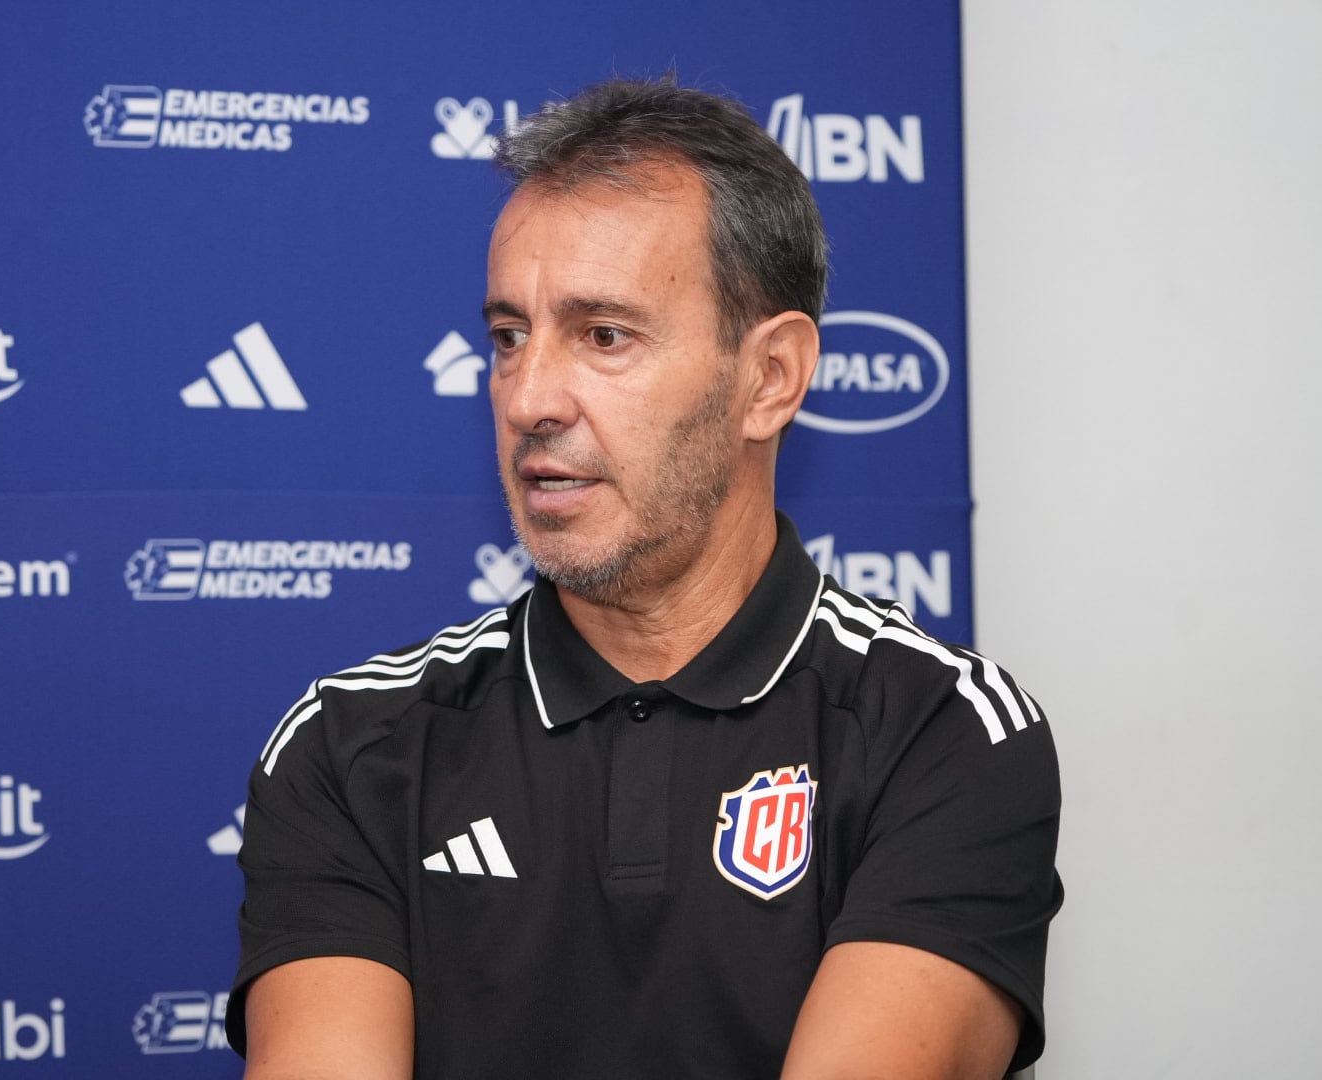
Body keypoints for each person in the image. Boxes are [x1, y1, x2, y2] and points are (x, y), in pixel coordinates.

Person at [226, 77, 1061, 1079]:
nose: (529, 396)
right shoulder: (352, 746)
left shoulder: (938, 731)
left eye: (603, 335)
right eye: (507, 336)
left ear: (770, 378)